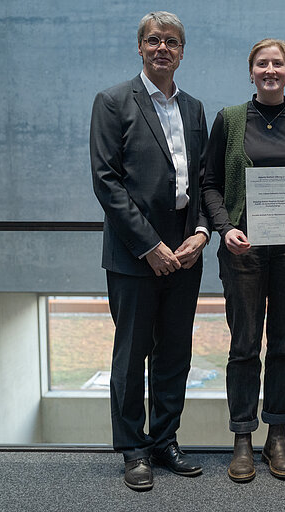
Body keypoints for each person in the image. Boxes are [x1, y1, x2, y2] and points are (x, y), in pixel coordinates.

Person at [90, 11, 209, 491]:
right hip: (134, 253)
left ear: (182, 51)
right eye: (154, 40)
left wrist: (201, 232)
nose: (163, 48)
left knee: (175, 353)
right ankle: (133, 449)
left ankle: (164, 440)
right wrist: (150, 245)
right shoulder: (114, 101)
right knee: (132, 353)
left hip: (185, 249)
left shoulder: (195, 108)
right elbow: (106, 181)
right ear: (140, 47)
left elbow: (204, 181)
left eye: (173, 42)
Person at [202, 38, 285, 482]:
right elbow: (210, 182)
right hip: (243, 251)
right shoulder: (229, 120)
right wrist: (223, 226)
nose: (270, 70)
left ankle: (277, 435)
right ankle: (242, 438)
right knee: (244, 345)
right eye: (262, 64)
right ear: (250, 71)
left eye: (278, 64)